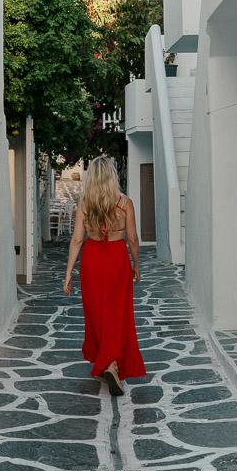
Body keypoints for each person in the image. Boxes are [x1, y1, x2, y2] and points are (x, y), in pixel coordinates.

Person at [63, 156, 146, 395]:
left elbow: (78, 239)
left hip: (92, 260)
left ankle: (106, 362)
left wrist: (68, 273)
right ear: (111, 176)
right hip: (117, 259)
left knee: (96, 312)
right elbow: (133, 239)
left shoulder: (85, 203)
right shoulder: (125, 203)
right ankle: (111, 363)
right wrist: (136, 264)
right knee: (117, 313)